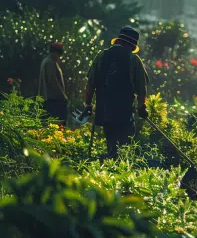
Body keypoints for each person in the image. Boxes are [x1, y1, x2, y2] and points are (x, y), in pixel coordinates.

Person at [84, 26, 149, 159]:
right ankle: (118, 169)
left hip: (105, 110)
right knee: (125, 147)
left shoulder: (102, 56)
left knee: (111, 141)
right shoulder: (134, 60)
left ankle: (111, 165)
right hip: (125, 113)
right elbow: (142, 89)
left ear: (118, 41)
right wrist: (141, 107)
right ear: (131, 45)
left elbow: (90, 84)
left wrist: (88, 104)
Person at [38, 42, 68, 126]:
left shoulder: (49, 61)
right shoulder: (50, 63)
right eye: (59, 54)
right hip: (53, 100)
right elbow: (53, 81)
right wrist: (63, 97)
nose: (59, 57)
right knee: (57, 124)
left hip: (51, 99)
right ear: (54, 52)